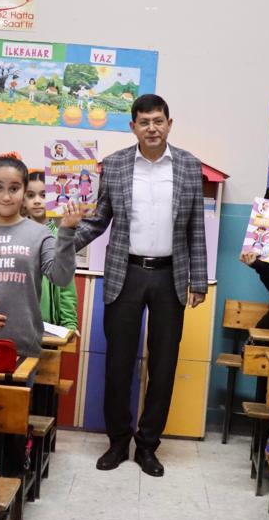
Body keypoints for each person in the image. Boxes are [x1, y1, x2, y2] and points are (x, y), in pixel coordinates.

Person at [73, 94, 207, 478]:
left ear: (169, 124)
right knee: (118, 363)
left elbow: (196, 227)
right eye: (144, 122)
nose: (152, 128)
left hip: (170, 276)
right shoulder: (115, 165)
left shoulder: (188, 165)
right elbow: (99, 219)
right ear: (133, 127)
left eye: (158, 121)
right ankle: (118, 442)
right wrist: (61, 242)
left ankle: (148, 446)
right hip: (125, 273)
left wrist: (198, 280)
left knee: (163, 367)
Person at [0, 156, 79, 359]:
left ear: (24, 192)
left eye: (14, 188)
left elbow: (61, 277)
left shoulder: (40, 233)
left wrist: (67, 231)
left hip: (23, 346)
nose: (6, 196)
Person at [24, 171, 79, 332]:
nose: (37, 201)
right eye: (31, 195)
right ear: (23, 200)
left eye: (43, 195)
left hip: (50, 327)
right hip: (20, 324)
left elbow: (67, 287)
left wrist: (70, 323)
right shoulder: (17, 235)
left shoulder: (61, 238)